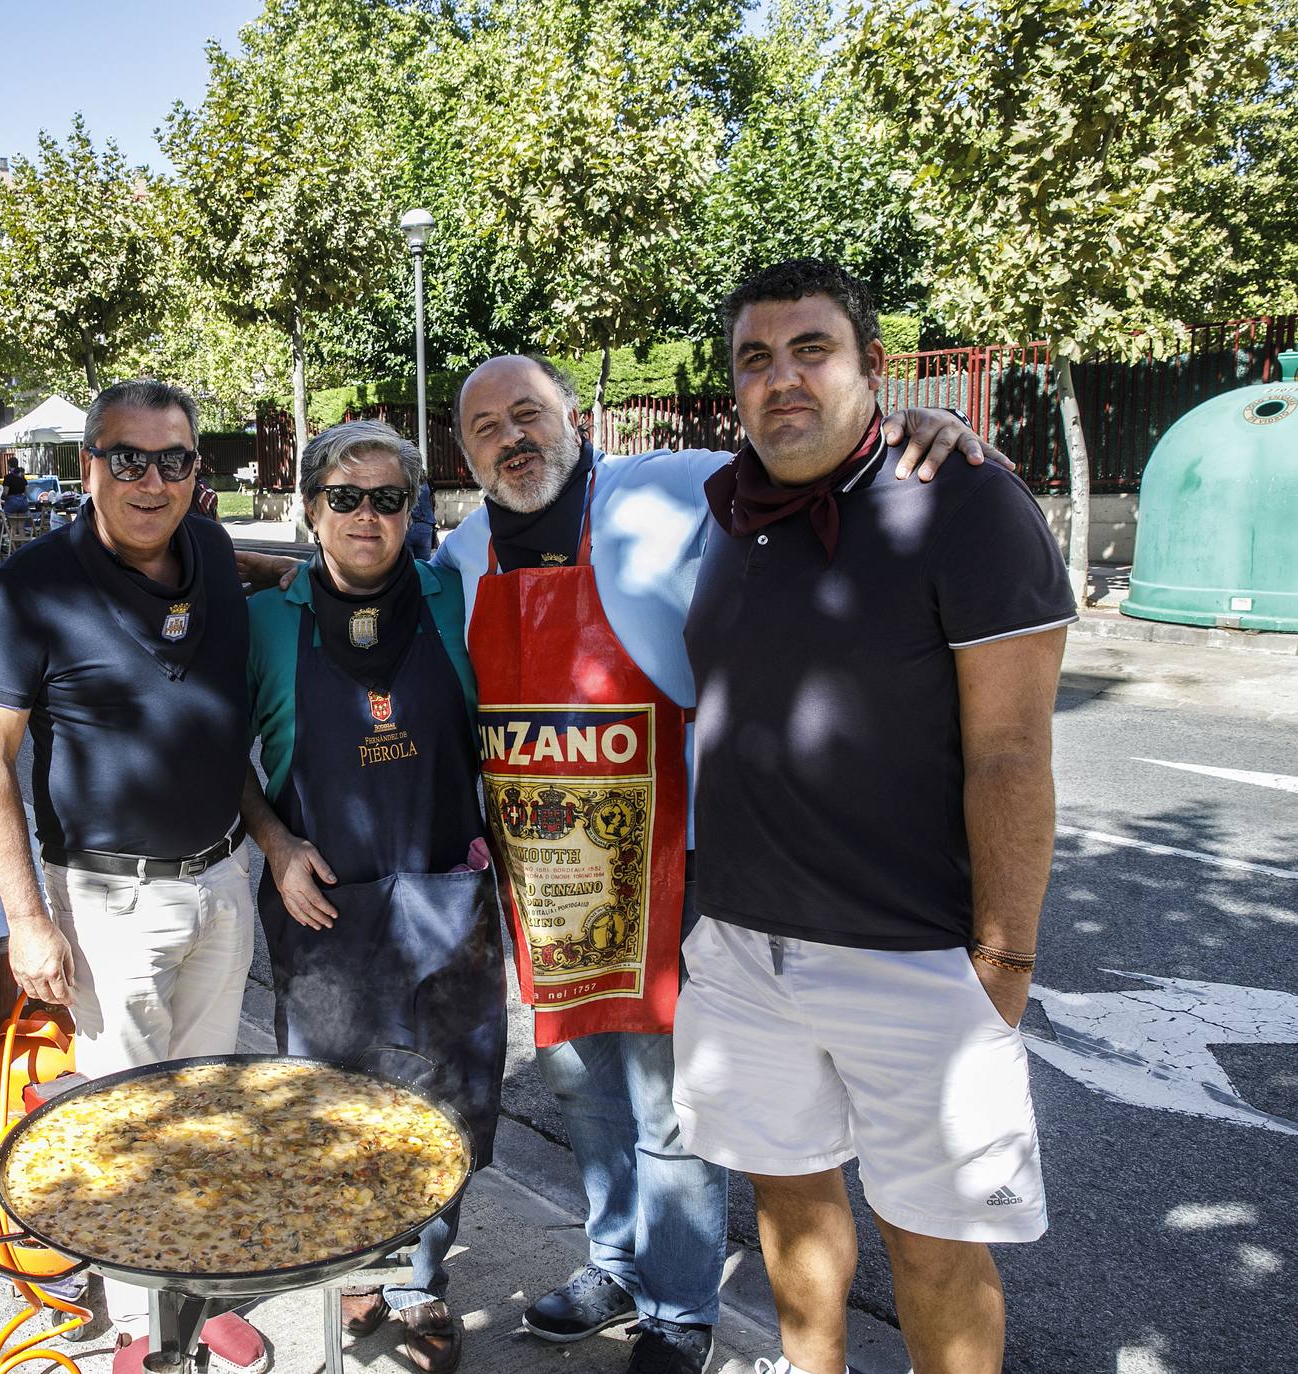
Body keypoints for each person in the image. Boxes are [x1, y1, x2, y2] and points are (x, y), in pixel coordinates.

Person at [430, 354, 997, 1374]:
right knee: (577, 1087)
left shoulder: (666, 485)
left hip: (665, 866)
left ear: (574, 417)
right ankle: (610, 1264)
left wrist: (906, 425)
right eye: (485, 427)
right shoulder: (462, 550)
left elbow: (808, 458)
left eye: (529, 412)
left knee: (668, 1105)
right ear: (464, 451)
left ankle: (679, 1310)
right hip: (545, 875)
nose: (512, 437)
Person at [673, 260, 1074, 1374]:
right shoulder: (722, 507)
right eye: (756, 359)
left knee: (939, 1256)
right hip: (745, 951)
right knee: (793, 1220)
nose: (782, 378)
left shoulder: (965, 500)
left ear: (872, 367)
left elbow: (1011, 752)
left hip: (917, 962)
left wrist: (1004, 956)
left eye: (812, 350)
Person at [0, 379, 268, 1374]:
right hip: (106, 903)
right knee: (131, 1124)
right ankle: (147, 1332)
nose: (149, 479)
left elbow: (260, 592)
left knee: (206, 1107)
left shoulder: (214, 552)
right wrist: (25, 920)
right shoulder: (31, 587)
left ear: (195, 473)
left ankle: (196, 1294)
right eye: (126, 458)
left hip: (223, 880)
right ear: (88, 465)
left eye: (171, 459)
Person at [242, 420, 500, 1374]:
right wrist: (274, 845)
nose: (366, 515)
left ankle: (419, 1284)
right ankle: (359, 1277)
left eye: (388, 498)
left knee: (443, 1105)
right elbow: (223, 756)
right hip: (326, 904)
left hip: (444, 896)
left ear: (413, 512)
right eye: (344, 496)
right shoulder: (268, 621)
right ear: (310, 510)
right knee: (338, 1106)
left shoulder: (454, 599)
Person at [407, 475, 437, 560]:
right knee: (425, 564)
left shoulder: (404, 483)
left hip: (408, 526)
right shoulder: (426, 484)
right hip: (425, 526)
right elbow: (433, 503)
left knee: (407, 564)